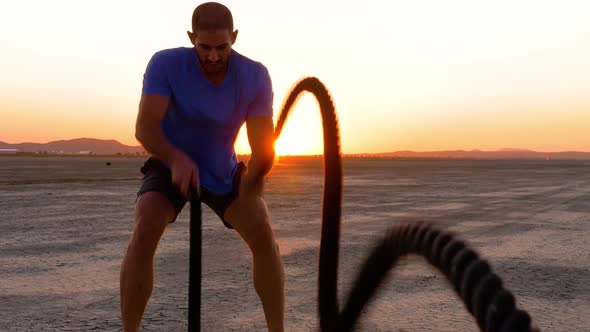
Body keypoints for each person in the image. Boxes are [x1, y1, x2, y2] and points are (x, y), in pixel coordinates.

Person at [119, 2, 284, 331]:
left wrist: (258, 171)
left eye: (221, 47)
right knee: (146, 226)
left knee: (264, 235)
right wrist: (177, 159)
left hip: (222, 170)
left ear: (234, 38)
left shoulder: (254, 75)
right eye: (204, 47)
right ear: (191, 37)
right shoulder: (165, 64)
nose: (212, 56)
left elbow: (264, 144)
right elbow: (145, 128)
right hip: (169, 164)